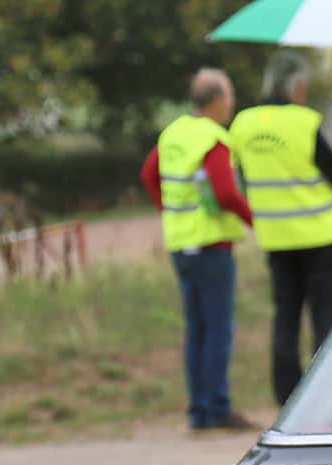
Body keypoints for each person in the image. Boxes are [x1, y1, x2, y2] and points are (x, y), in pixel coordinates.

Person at [230, 51, 332, 405]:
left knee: (285, 315)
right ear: (297, 86)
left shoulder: (243, 123)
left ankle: (286, 394)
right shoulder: (305, 122)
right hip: (320, 233)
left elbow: (242, 174)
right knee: (324, 316)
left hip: (276, 236)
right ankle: (324, 393)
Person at [142, 69, 255, 431]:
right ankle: (218, 407)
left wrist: (170, 211)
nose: (232, 103)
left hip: (180, 244)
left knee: (196, 328)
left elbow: (149, 174)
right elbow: (224, 191)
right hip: (210, 244)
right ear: (218, 99)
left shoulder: (173, 132)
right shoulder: (214, 138)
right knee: (219, 327)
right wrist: (254, 219)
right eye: (230, 96)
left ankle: (199, 409)